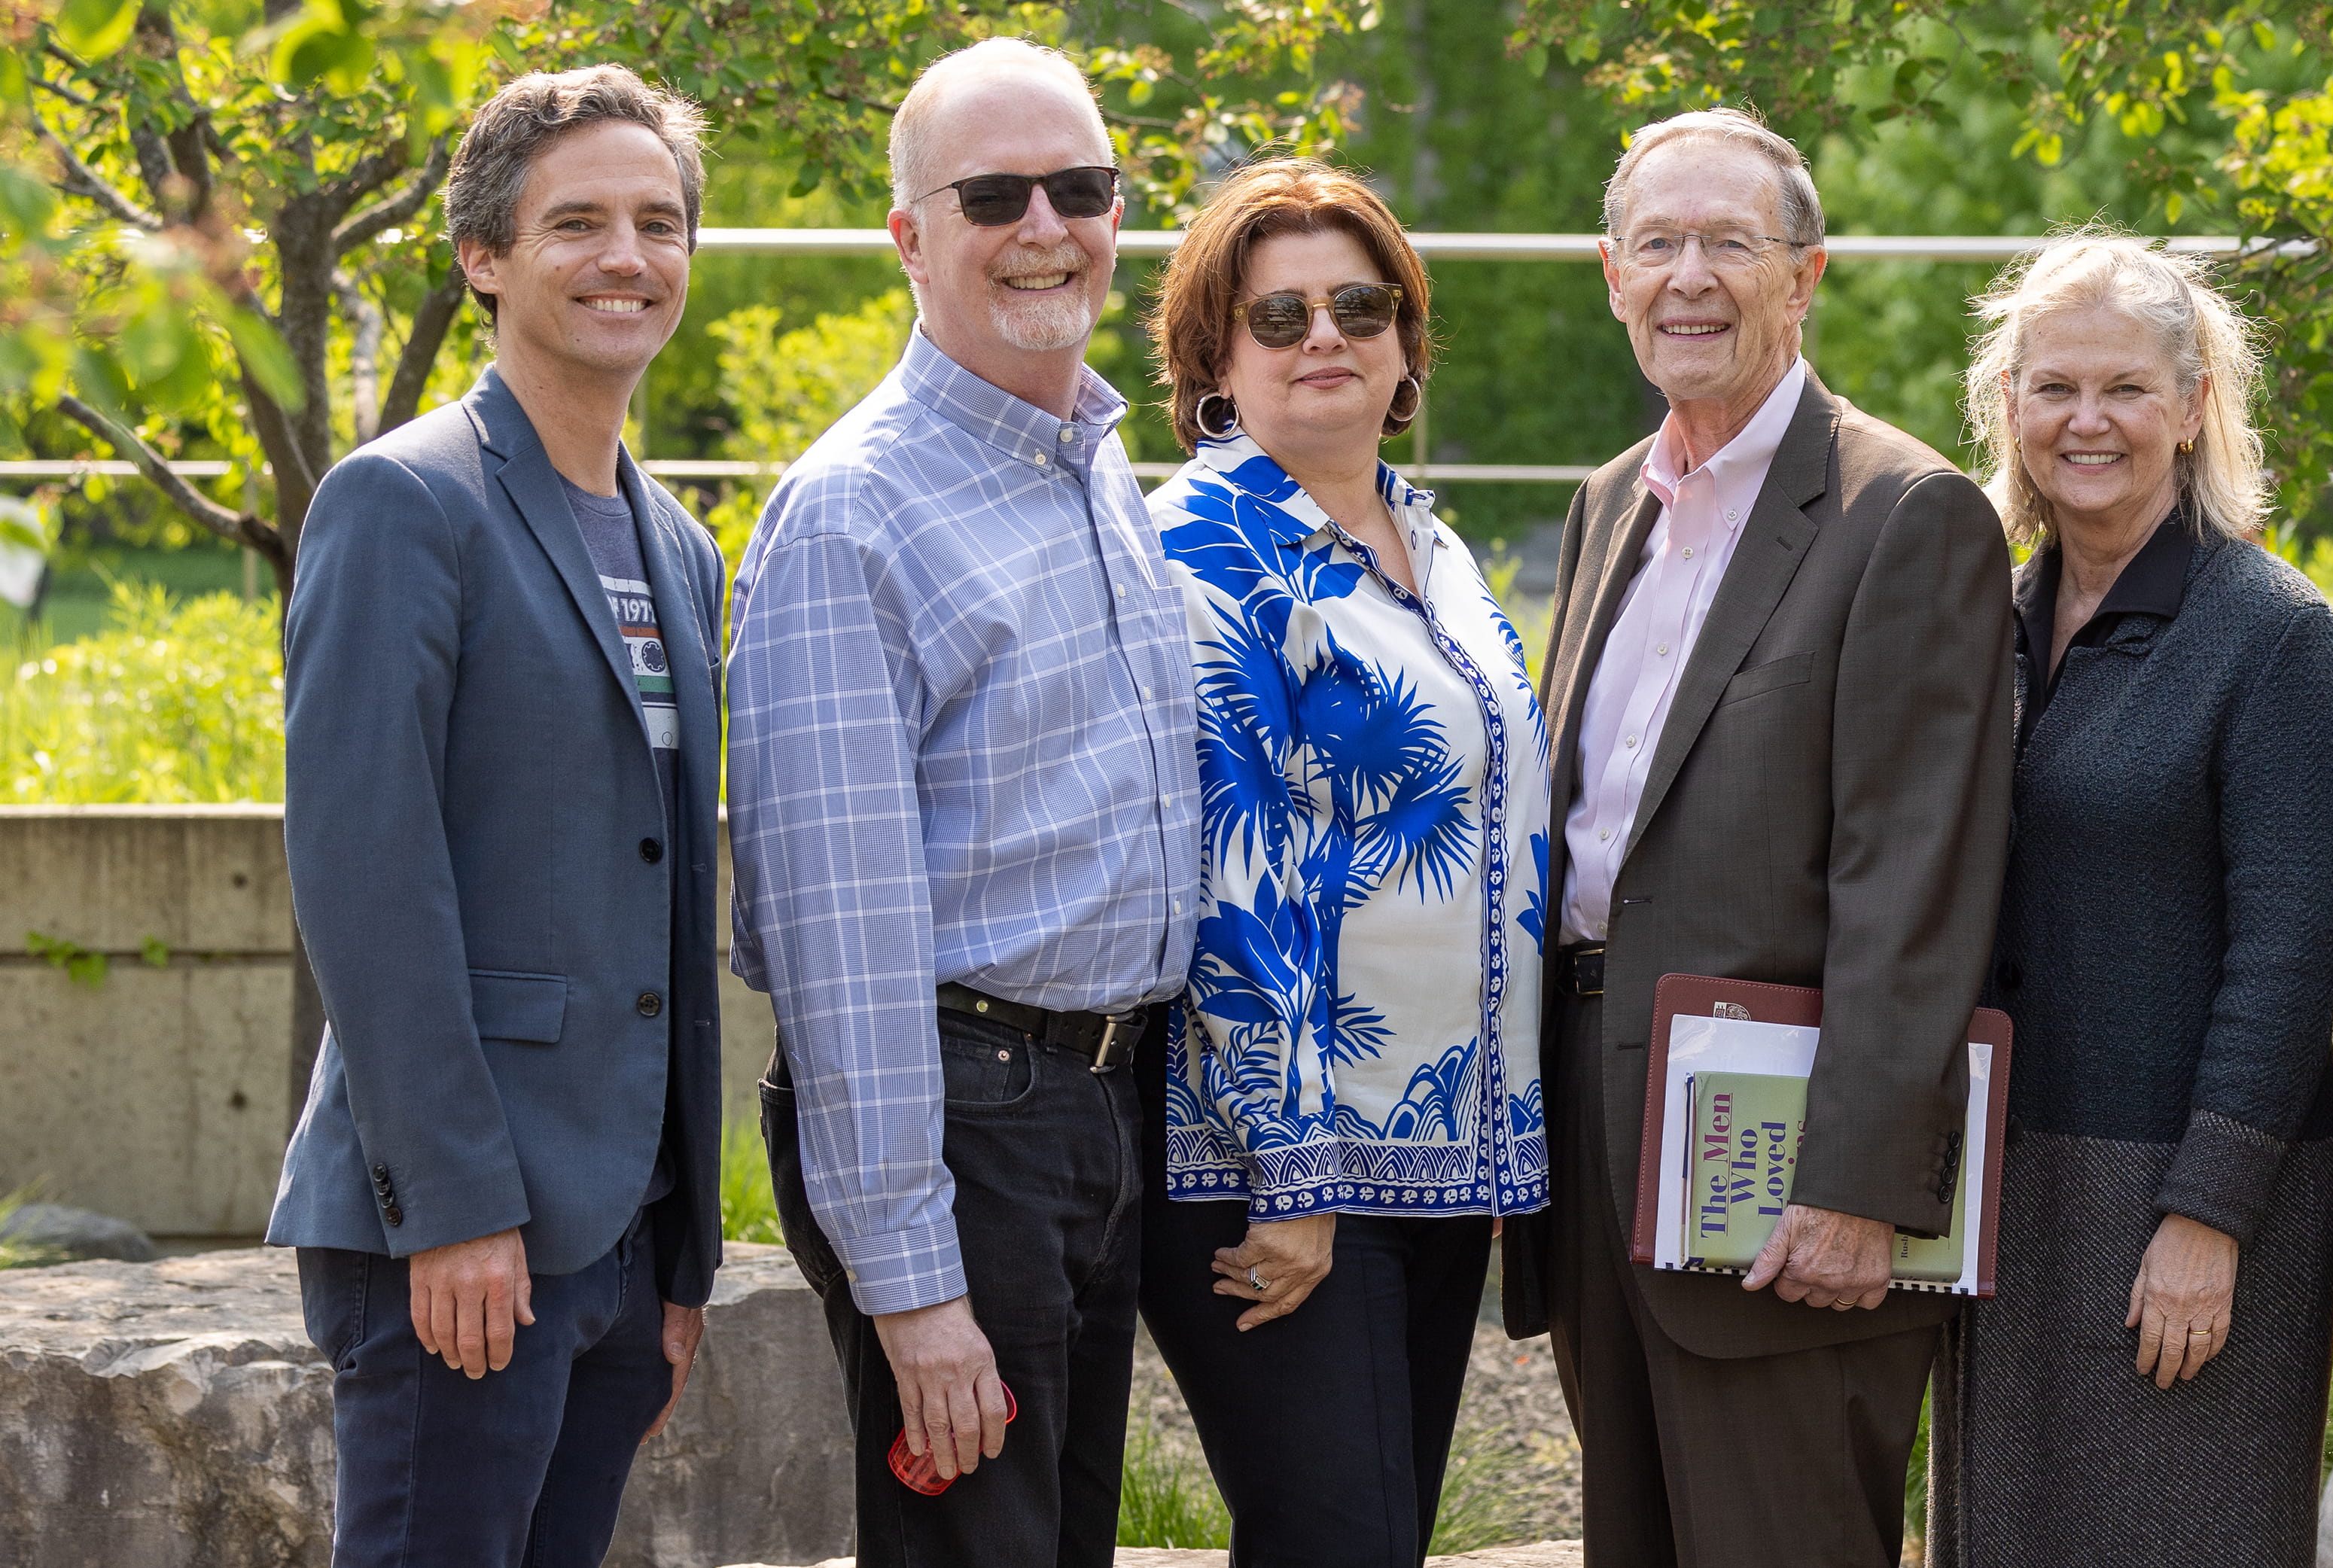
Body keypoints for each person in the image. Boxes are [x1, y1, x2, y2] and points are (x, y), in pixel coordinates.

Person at [1511, 106, 2013, 1568]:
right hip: (1596, 1136)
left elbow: (1916, 880)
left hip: (1786, 1176)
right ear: (1610, 273)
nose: (1690, 277)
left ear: (1806, 275)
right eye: (1657, 243)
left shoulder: (1904, 512)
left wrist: (1859, 1181)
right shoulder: (1608, 503)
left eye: (1730, 243)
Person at [726, 38, 1198, 1568]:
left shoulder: (1092, 468)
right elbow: (836, 943)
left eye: (1081, 188)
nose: (1045, 227)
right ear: (909, 238)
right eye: (994, 196)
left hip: (1100, 1104)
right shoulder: (854, 512)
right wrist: (915, 1285)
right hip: (963, 1123)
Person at [267, 64, 724, 1568]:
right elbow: (365, 872)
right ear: (483, 256)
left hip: (620, 1240)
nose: (627, 257)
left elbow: (666, 893)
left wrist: (681, 1254)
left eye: (658, 222)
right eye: (577, 222)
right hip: (463, 1234)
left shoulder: (681, 548)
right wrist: (456, 1207)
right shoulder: (404, 503)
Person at [1129, 156, 1552, 1566]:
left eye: (1360, 307)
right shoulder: (1203, 550)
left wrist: (1500, 1136)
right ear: (1214, 358)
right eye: (1280, 315)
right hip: (1279, 1171)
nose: (1326, 336)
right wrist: (1296, 1176)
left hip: (1434, 1159)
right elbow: (1233, 875)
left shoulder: (1432, 542)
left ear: (1406, 342)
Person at [1921, 234, 2333, 1568]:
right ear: (2009, 406)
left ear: (2191, 407)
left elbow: (2294, 951)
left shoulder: (2272, 634)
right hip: (2008, 1181)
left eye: (2125, 388)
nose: (2088, 421)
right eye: (2055, 387)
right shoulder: (1989, 621)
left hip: (2186, 1192)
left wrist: (2208, 1213)